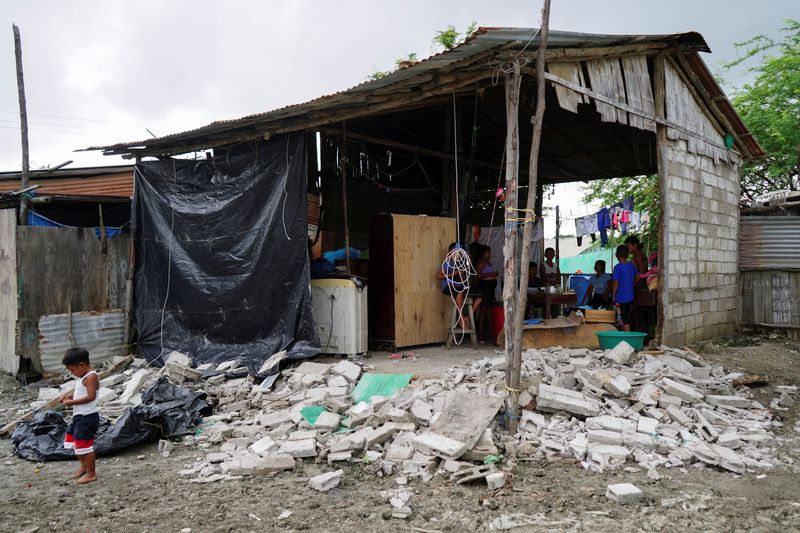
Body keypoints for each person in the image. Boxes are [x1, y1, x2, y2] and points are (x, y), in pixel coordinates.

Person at [60, 347, 100, 484]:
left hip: (87, 417)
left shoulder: (91, 376)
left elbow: (91, 396)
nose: (72, 373)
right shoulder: (82, 377)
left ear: (82, 365)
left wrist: (72, 402)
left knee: (85, 445)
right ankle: (84, 467)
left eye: (72, 370)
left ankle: (91, 473)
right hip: (79, 416)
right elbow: (81, 394)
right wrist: (69, 397)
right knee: (74, 442)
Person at [437, 242, 481, 328]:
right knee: (459, 292)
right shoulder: (447, 263)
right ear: (451, 252)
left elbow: (463, 278)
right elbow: (438, 276)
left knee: (480, 294)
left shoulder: (458, 263)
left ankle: (467, 316)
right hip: (448, 287)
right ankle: (461, 319)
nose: (459, 254)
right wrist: (455, 273)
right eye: (457, 252)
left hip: (458, 286)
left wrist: (462, 274)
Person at [612, 244, 637, 332]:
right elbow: (637, 276)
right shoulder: (631, 265)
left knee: (624, 317)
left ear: (617, 255)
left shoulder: (617, 267)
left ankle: (628, 336)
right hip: (631, 295)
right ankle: (628, 333)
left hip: (622, 296)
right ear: (627, 254)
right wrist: (632, 284)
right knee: (629, 316)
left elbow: (616, 283)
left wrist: (613, 295)